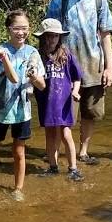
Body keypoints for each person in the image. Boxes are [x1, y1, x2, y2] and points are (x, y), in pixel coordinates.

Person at [46, 0, 112, 165]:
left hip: (94, 64)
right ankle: (55, 154)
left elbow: (105, 34)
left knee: (91, 112)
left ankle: (83, 152)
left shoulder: (99, 0)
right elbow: (50, 34)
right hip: (65, 66)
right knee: (63, 113)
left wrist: (109, 68)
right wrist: (49, 63)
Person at [0, 10, 46, 200]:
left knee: (19, 151)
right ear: (9, 29)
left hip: (22, 111)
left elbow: (42, 86)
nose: (21, 32)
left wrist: (34, 77)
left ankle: (18, 188)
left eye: (25, 28)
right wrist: (2, 57)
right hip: (0, 109)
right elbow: (13, 78)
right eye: (17, 28)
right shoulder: (0, 50)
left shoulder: (33, 53)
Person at [34, 19, 84, 181]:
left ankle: (73, 168)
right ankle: (52, 166)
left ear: (60, 37)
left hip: (63, 103)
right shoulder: (38, 55)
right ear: (43, 37)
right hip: (46, 103)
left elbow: (77, 78)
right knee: (50, 135)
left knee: (65, 134)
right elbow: (32, 78)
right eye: (48, 36)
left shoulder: (66, 54)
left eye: (55, 36)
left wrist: (75, 91)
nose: (52, 40)